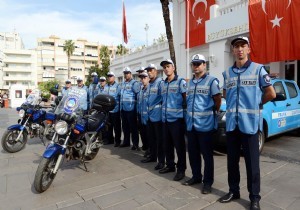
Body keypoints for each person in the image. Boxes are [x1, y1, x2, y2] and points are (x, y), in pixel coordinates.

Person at [218, 36, 276, 210]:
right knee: (232, 161)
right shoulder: (227, 73)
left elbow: (271, 93)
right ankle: (233, 191)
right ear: (233, 50)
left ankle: (255, 197)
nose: (240, 49)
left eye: (243, 46)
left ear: (248, 49)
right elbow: (226, 94)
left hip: (250, 125)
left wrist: (256, 104)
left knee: (252, 164)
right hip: (232, 125)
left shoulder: (258, 70)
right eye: (236, 46)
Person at [183, 54, 221, 194]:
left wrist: (213, 114)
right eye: (194, 64)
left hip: (205, 126)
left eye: (199, 63)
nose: (196, 66)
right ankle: (196, 176)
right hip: (191, 125)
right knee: (193, 154)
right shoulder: (190, 83)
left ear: (204, 65)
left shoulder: (212, 81)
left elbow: (217, 100)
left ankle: (208, 182)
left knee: (207, 156)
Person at [159, 59, 187, 181]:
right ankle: (170, 165)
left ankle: (181, 170)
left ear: (173, 67)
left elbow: (186, 99)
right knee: (167, 145)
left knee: (179, 147)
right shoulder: (163, 84)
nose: (166, 69)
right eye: (164, 67)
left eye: (168, 66)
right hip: (165, 120)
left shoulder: (180, 82)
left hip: (177, 120)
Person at [141, 64, 165, 171]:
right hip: (150, 116)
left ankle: (161, 161)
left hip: (158, 116)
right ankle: (153, 156)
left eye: (151, 70)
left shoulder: (160, 83)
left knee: (159, 140)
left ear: (156, 71)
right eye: (148, 70)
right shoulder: (150, 84)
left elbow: (164, 99)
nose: (149, 72)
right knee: (151, 139)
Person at [119, 67, 140, 150]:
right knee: (125, 127)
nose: (126, 74)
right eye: (125, 73)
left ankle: (135, 144)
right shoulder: (123, 84)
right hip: (124, 109)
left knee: (133, 128)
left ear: (130, 74)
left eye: (127, 73)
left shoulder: (134, 83)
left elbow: (137, 96)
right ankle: (126, 142)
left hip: (131, 109)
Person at [102, 72, 122, 146]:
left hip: (115, 110)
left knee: (116, 127)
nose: (109, 77)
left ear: (114, 77)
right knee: (108, 126)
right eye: (108, 76)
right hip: (107, 110)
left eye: (111, 76)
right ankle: (110, 140)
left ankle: (117, 141)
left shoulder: (118, 86)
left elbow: (120, 97)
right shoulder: (106, 86)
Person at [136, 67, 149, 152]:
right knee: (143, 134)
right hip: (141, 115)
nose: (143, 80)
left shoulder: (150, 89)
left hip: (148, 116)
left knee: (149, 135)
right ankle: (145, 148)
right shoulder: (141, 89)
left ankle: (150, 150)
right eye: (141, 78)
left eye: (144, 77)